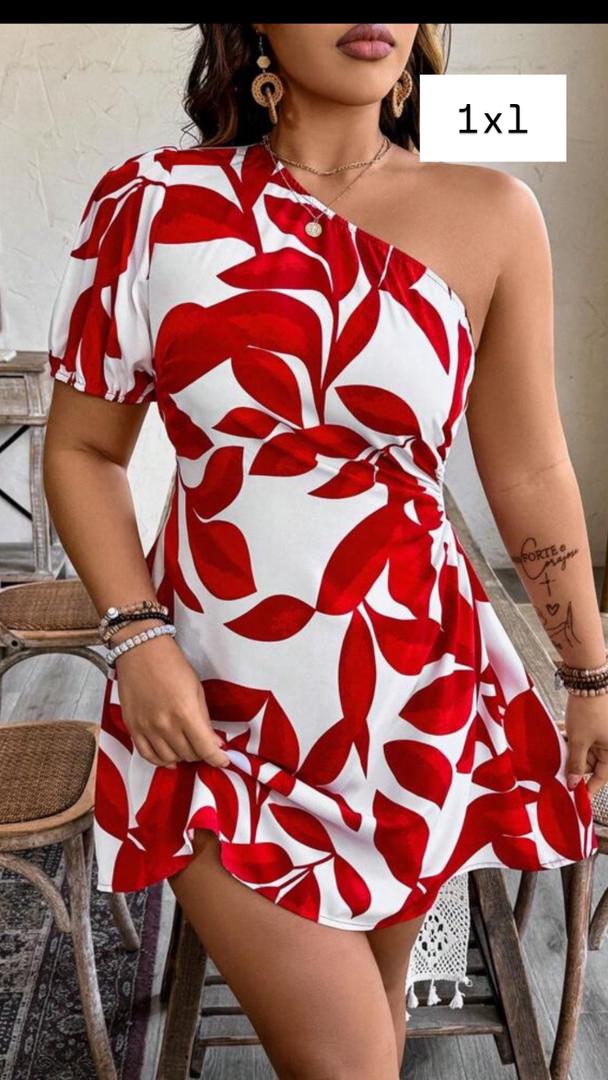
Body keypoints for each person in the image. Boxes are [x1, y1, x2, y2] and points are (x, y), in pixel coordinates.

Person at [43, 23, 607, 1080]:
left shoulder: (493, 212)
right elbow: (82, 451)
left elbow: (531, 471)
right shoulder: (152, 204)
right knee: (346, 1058)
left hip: (410, 703)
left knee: (376, 1019)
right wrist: (137, 639)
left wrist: (587, 676)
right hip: (214, 712)